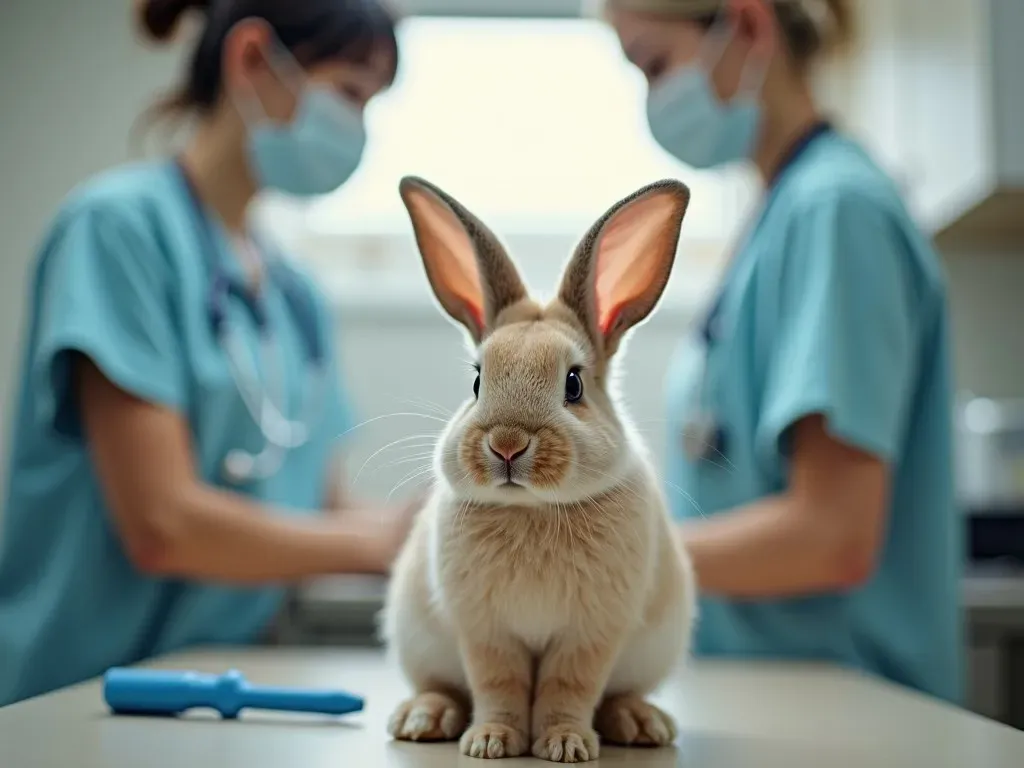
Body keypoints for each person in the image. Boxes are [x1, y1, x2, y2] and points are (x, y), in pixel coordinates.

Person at [0, 0, 417, 707]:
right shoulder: (117, 232)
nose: (357, 129)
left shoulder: (295, 294)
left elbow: (322, 507)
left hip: (229, 691)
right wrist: (383, 548)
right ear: (253, 59)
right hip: (85, 695)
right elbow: (161, 526)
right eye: (348, 92)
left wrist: (452, 529)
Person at [602, 0, 962, 703]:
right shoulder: (780, 213)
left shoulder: (837, 211)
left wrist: (608, 557)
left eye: (653, 63)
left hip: (852, 712)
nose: (653, 99)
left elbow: (833, 535)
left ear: (748, 25)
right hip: (779, 697)